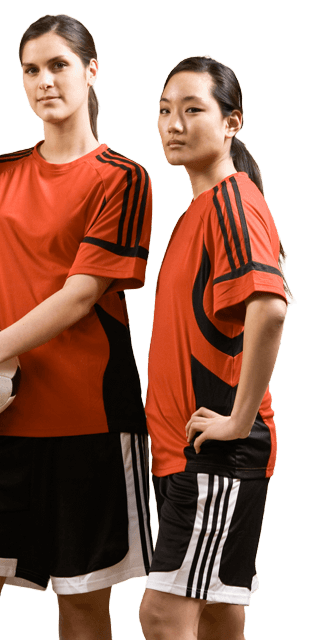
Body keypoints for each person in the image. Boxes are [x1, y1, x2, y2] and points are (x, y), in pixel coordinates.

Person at [0, 13, 153, 640]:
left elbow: (79, 296)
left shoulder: (123, 178)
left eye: (58, 65)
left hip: (90, 421)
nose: (44, 81)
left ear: (91, 70)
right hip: (1, 422)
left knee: (82, 610)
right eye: (31, 70)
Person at [139, 56, 294, 640]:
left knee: (163, 615)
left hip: (214, 454)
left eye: (192, 110)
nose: (173, 124)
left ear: (232, 122)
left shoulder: (232, 203)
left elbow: (270, 307)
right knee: (217, 616)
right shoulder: (199, 210)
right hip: (188, 452)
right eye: (164, 111)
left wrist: (238, 419)